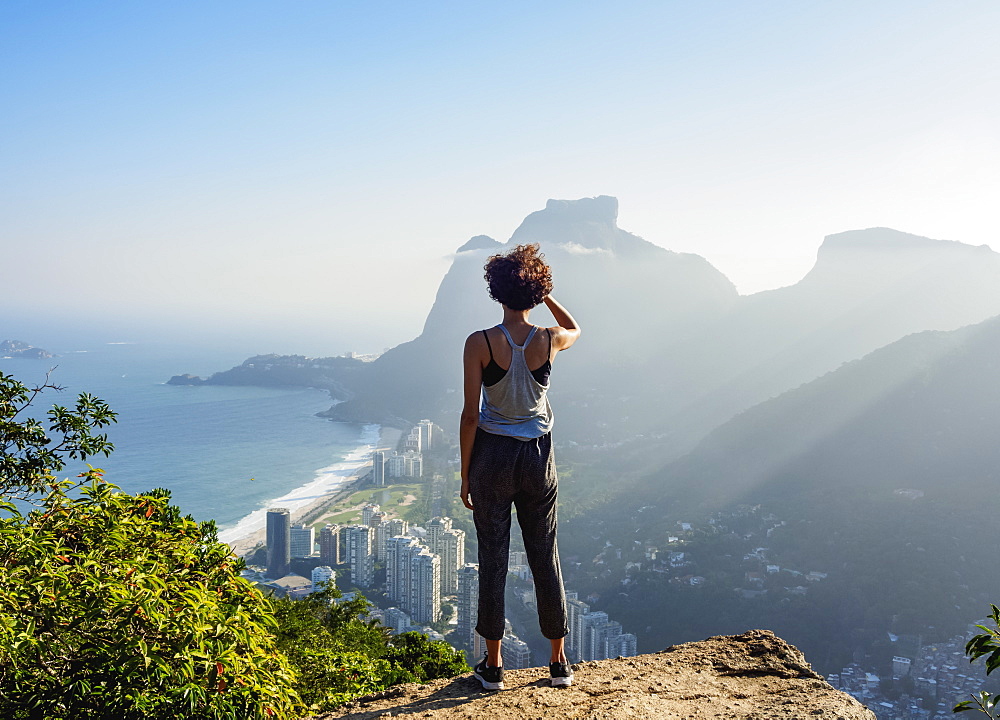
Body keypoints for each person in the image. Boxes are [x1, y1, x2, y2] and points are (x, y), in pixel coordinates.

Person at [460, 243, 581, 690]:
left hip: (491, 455)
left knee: (492, 558)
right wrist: (544, 295)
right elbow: (575, 327)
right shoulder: (548, 339)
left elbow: (470, 414)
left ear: (496, 291)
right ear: (534, 292)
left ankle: (492, 666)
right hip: (538, 457)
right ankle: (559, 662)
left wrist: (464, 472)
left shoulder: (480, 342)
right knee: (544, 553)